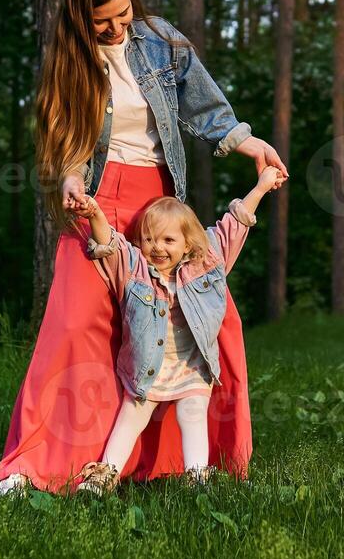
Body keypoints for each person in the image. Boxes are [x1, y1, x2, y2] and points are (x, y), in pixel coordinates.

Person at [0, 0, 288, 495]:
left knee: (208, 320)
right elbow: (68, 143)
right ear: (81, 18)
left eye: (122, 14)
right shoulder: (69, 63)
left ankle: (197, 461)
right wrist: (69, 182)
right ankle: (38, 465)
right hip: (99, 202)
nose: (115, 27)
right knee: (76, 323)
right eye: (102, 21)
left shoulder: (160, 40)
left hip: (157, 207)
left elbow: (206, 111)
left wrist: (251, 146)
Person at [68, 166, 286, 496]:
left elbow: (235, 225)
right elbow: (108, 242)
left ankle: (197, 475)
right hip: (147, 371)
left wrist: (262, 186)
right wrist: (95, 211)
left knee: (193, 414)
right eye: (149, 239)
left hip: (192, 368)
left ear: (187, 245)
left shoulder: (207, 263)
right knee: (130, 420)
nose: (157, 247)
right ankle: (105, 474)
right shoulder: (135, 269)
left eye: (169, 240)